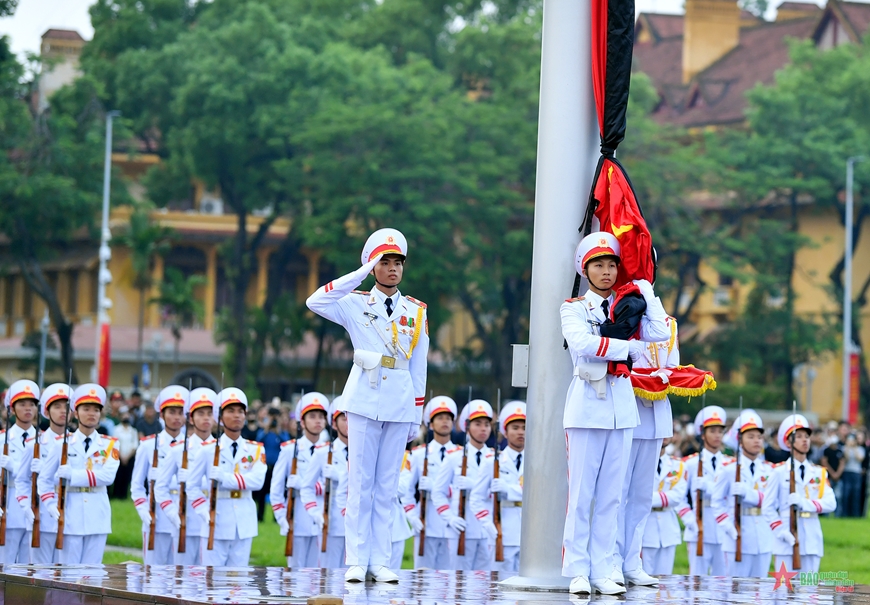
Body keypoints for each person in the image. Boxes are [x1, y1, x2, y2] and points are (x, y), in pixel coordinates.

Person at [306, 228, 429, 583]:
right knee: (360, 483)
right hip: (363, 397)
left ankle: (382, 560)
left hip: (400, 399)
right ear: (373, 267)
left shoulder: (415, 310)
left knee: (387, 485)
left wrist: (416, 415)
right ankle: (357, 560)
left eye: (397, 263)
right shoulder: (355, 302)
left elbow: (419, 364)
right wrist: (359, 273)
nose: (392, 269)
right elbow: (316, 301)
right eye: (384, 263)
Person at [560, 232, 669, 595]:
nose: (606, 272)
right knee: (581, 494)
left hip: (621, 409)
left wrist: (646, 289)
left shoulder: (630, 304)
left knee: (611, 495)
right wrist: (627, 348)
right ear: (585, 270)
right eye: (598, 265)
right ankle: (577, 569)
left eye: (612, 265)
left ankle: (604, 568)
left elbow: (657, 332)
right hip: (587, 406)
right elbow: (583, 344)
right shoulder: (574, 307)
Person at [611, 314, 679, 587]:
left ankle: (632, 562)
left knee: (641, 495)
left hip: (656, 413)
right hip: (628, 407)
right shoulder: (620, 316)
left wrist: (665, 375)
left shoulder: (668, 323)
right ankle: (612, 561)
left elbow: (673, 364)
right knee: (618, 492)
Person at [38, 384, 120, 565]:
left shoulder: (110, 444)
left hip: (97, 515)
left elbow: (108, 477)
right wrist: (50, 504)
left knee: (92, 574)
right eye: (86, 409)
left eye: (96, 410)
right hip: (69, 514)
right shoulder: (61, 444)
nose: (91, 413)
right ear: (76, 413)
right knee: (69, 574)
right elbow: (43, 480)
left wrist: (73, 475)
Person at [186, 387, 266, 566]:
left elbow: (258, 481)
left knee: (237, 582)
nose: (237, 415)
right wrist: (202, 511)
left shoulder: (255, 449)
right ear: (220, 417)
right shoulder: (208, 450)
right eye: (230, 411)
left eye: (240, 411)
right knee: (212, 582)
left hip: (243, 523)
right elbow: (191, 485)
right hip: (216, 519)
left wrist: (226, 478)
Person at [712, 410, 777, 578]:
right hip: (737, 537)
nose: (756, 441)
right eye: (751, 437)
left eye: (759, 437)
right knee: (735, 590)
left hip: (763, 536)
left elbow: (773, 501)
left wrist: (749, 494)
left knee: (760, 591)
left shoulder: (770, 470)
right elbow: (716, 502)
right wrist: (728, 527)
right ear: (740, 440)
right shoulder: (728, 470)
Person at [156, 387, 216, 565]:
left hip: (213, 521)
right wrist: (172, 513)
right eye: (200, 414)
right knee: (184, 578)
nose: (206, 418)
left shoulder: (222, 449)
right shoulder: (178, 449)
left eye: (209, 414)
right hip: (186, 520)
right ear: (191, 418)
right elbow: (160, 487)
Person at [432, 399, 494, 571]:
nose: (483, 429)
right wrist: (449, 518)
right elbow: (438, 493)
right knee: (458, 583)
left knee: (485, 585)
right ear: (467, 427)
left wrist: (475, 486)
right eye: (478, 424)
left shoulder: (496, 458)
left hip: (486, 528)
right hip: (461, 527)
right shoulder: (454, 457)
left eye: (487, 425)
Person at [772, 414, 836, 574]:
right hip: (786, 540)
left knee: (810, 593)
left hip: (812, 539)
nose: (805, 440)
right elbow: (768, 508)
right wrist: (781, 531)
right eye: (799, 437)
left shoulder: (819, 473)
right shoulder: (778, 472)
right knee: (784, 594)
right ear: (788, 442)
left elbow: (831, 503)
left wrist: (804, 503)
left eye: (807, 436)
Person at [131, 386, 188, 565]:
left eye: (181, 412)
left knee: (182, 575)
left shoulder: (192, 446)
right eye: (172, 412)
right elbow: (137, 485)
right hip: (156, 514)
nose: (177, 417)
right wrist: (143, 510)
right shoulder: (148, 445)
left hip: (183, 514)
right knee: (154, 573)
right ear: (162, 415)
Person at [270, 392, 328, 568]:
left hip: (321, 517)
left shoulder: (329, 451)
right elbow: (276, 488)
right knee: (295, 573)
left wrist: (304, 484)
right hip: (297, 518)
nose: (317, 421)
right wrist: (282, 517)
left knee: (319, 572)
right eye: (312, 417)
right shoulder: (289, 450)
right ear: (302, 422)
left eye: (321, 417)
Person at [14, 383, 70, 564]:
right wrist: (25, 506)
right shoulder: (34, 444)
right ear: (47, 412)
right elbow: (22, 480)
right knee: (41, 573)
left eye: (67, 407)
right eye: (57, 407)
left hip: (70, 517)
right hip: (42, 516)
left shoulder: (77, 443)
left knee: (68, 575)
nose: (63, 411)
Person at [403, 396, 458, 570]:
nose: (445, 422)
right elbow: (406, 490)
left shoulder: (460, 455)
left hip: (453, 523)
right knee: (423, 578)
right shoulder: (418, 454)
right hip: (426, 521)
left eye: (448, 418)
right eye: (440, 418)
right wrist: (412, 516)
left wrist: (439, 489)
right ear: (431, 424)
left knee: (450, 579)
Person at [470, 401, 525, 573]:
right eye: (515, 427)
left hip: (529, 536)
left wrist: (509, 490)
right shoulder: (492, 462)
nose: (521, 432)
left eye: (524, 427)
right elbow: (476, 498)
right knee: (501, 588)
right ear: (505, 432)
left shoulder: (536, 462)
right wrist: (488, 524)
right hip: (502, 533)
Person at [300, 396, 349, 569]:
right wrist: (315, 512)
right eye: (344, 418)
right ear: (334, 424)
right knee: (329, 574)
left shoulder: (366, 452)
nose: (349, 423)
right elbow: (306, 487)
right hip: (332, 521)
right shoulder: (323, 452)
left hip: (359, 525)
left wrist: (341, 475)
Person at [681, 406, 730, 576]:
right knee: (697, 581)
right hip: (699, 528)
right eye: (713, 431)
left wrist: (709, 487)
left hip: (723, 529)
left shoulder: (730, 464)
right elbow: (679, 498)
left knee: (723, 583)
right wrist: (690, 520)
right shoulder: (691, 463)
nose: (717, 435)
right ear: (703, 435)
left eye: (720, 431)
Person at [0, 380, 40, 564]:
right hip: (9, 504)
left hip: (35, 504)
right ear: (12, 409)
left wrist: (14, 466)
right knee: (5, 562)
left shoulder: (45, 439)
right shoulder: (2, 439)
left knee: (29, 564)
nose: (28, 409)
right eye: (22, 404)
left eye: (32, 404)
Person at [641, 438, 688, 576]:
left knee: (665, 580)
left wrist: (650, 498)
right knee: (643, 579)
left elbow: (678, 496)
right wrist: (665, 497)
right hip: (645, 526)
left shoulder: (677, 465)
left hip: (668, 528)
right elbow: (635, 496)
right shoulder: (638, 462)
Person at [255, 407, 289, 522]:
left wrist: (278, 430)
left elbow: (286, 444)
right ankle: (260, 516)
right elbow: (258, 442)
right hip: (265, 466)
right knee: (261, 493)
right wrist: (266, 428)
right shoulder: (264, 432)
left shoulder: (282, 433)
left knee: (278, 492)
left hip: (277, 467)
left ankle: (277, 516)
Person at [112, 410, 139, 499]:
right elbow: (114, 443)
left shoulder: (133, 431)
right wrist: (121, 456)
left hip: (129, 457)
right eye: (124, 416)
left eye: (127, 417)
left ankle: (124, 495)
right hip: (118, 456)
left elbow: (135, 445)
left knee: (127, 476)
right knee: (118, 476)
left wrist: (127, 457)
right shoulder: (116, 429)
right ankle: (116, 494)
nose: (126, 418)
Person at [841, 432, 865, 517]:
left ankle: (855, 514)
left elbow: (860, 459)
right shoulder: (844, 448)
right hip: (847, 472)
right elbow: (846, 459)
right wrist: (848, 447)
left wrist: (854, 448)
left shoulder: (860, 449)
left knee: (856, 494)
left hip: (856, 473)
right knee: (846, 493)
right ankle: (845, 514)